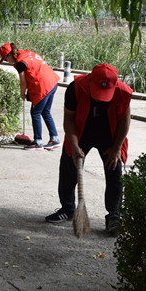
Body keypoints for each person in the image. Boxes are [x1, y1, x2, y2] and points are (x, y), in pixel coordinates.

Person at [45, 63, 132, 234]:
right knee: (68, 168)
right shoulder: (75, 88)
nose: (101, 98)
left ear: (115, 84)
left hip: (110, 135)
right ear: (90, 79)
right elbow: (69, 119)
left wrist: (117, 148)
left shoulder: (123, 92)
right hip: (81, 131)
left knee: (115, 172)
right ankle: (67, 209)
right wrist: (75, 145)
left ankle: (114, 216)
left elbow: (125, 121)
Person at [0, 43, 61, 150]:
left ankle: (38, 142)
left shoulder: (20, 63)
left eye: (5, 59)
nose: (6, 61)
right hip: (53, 82)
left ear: (9, 55)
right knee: (45, 112)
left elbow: (23, 82)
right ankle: (54, 139)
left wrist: (22, 93)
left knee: (35, 113)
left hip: (43, 86)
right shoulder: (26, 53)